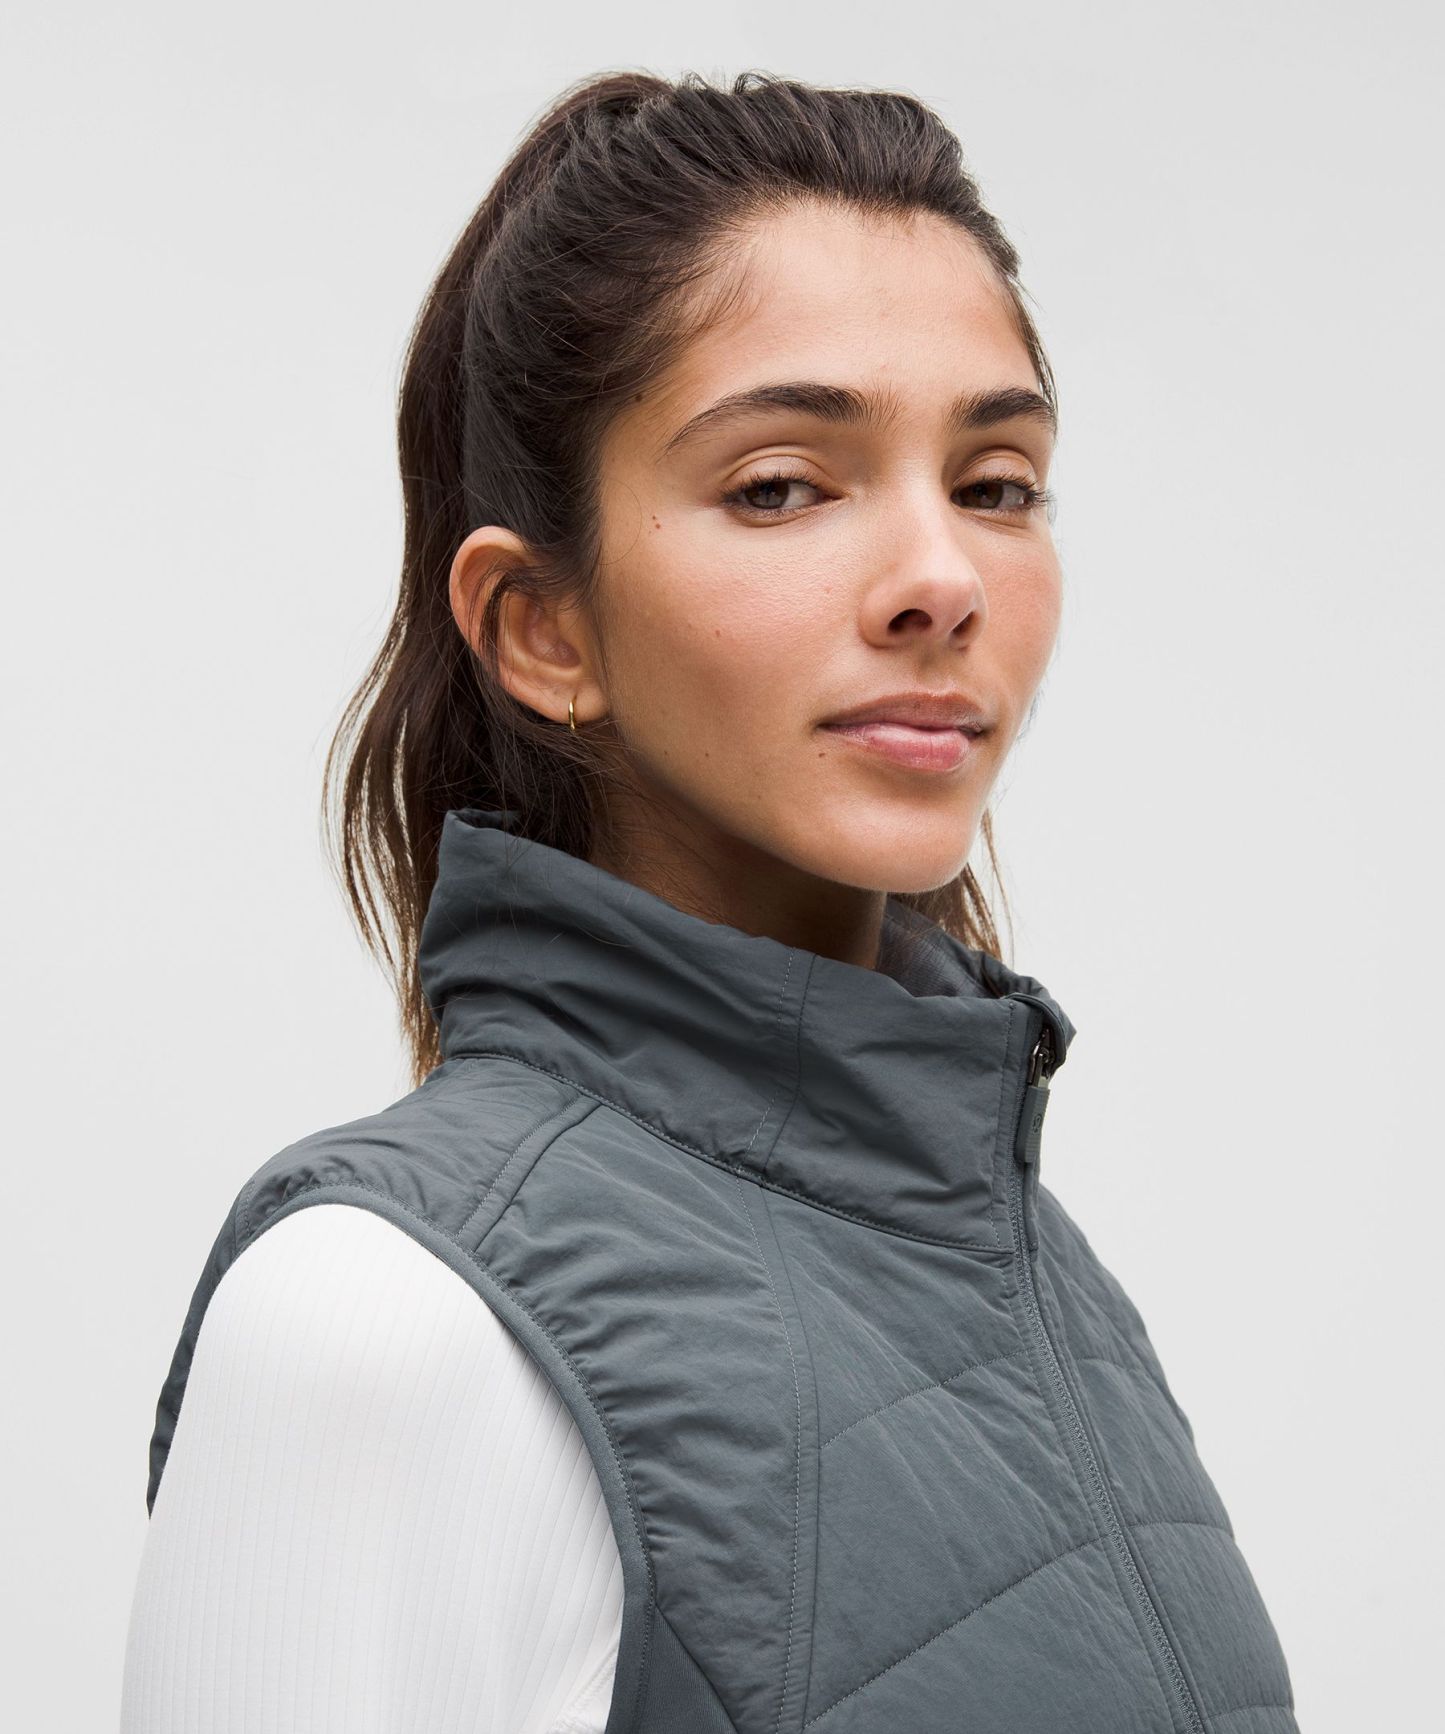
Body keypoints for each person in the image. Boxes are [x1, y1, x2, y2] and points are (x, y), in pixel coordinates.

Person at [121, 68, 1300, 1734]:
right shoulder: (379, 1322)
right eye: (781, 485)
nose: (941, 578)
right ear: (542, 626)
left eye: (994, 483)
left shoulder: (1044, 1273)